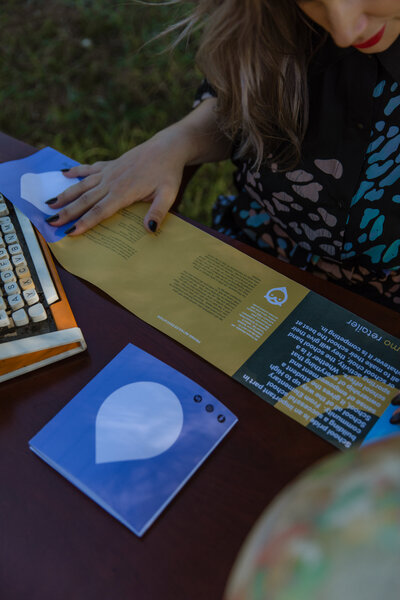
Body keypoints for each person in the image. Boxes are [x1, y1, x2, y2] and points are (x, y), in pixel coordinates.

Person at [45, 0, 400, 311]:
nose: (342, 30)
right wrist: (177, 140)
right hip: (254, 263)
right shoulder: (277, 15)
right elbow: (238, 107)